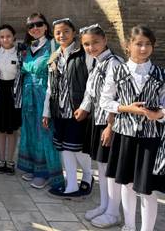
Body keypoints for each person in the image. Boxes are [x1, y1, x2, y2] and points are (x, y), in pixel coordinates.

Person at [101, 25, 165, 231]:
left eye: (148, 45)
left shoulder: (160, 74)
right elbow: (105, 101)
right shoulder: (118, 71)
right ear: (128, 46)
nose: (143, 48)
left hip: (150, 137)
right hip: (125, 135)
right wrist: (125, 108)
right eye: (139, 44)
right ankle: (129, 226)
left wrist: (160, 113)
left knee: (147, 189)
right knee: (126, 184)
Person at [76, 24, 123, 228]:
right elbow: (91, 91)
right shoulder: (96, 63)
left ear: (104, 40)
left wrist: (110, 125)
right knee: (101, 167)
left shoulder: (115, 63)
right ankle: (104, 205)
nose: (91, 47)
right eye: (86, 44)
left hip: (109, 122)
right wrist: (84, 108)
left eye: (95, 42)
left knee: (110, 169)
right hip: (97, 120)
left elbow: (119, 97)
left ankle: (113, 212)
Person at [43, 18, 93, 199]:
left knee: (76, 147)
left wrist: (85, 107)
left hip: (77, 111)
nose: (61, 35)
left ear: (74, 33)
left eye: (65, 31)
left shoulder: (83, 54)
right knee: (64, 148)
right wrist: (46, 112)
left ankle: (87, 176)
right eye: (57, 32)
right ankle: (71, 185)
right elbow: (50, 87)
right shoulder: (54, 57)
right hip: (59, 110)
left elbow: (91, 85)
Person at [17, 13, 64, 190]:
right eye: (31, 26)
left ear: (46, 26)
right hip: (28, 95)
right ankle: (33, 167)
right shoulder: (28, 47)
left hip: (44, 95)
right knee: (30, 132)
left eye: (39, 24)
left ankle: (46, 174)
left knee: (44, 133)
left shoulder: (54, 46)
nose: (35, 28)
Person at [0, 24, 23, 175]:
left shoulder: (20, 53)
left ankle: (10, 160)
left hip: (14, 93)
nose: (5, 39)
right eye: (2, 37)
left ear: (14, 37)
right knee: (0, 128)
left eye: (8, 36)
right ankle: (1, 158)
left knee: (12, 129)